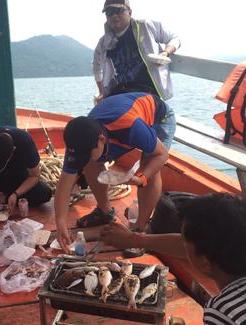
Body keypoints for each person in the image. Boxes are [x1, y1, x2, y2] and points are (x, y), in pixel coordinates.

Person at [100, 193, 246, 324]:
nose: (182, 243)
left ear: (205, 263)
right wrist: (134, 239)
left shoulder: (224, 311)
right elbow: (188, 247)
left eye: (185, 239)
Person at [55, 92, 175, 253]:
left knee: (150, 163)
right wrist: (60, 221)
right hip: (118, 119)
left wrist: (141, 178)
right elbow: (64, 184)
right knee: (91, 162)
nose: (81, 158)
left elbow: (162, 155)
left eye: (87, 153)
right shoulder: (80, 141)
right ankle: (105, 212)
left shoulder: (130, 127)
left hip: (159, 117)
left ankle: (139, 230)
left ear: (102, 140)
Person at [93, 0, 180, 103]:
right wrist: (102, 92)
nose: (114, 15)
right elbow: (96, 67)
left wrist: (166, 52)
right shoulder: (103, 43)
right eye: (109, 12)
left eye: (119, 10)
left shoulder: (146, 26)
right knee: (96, 115)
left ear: (130, 12)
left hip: (147, 92)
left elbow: (175, 38)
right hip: (120, 92)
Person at [0, 126, 52, 214]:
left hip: (16, 179)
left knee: (44, 192)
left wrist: (16, 194)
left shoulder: (25, 141)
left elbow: (34, 176)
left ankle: (5, 198)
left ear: (12, 152)